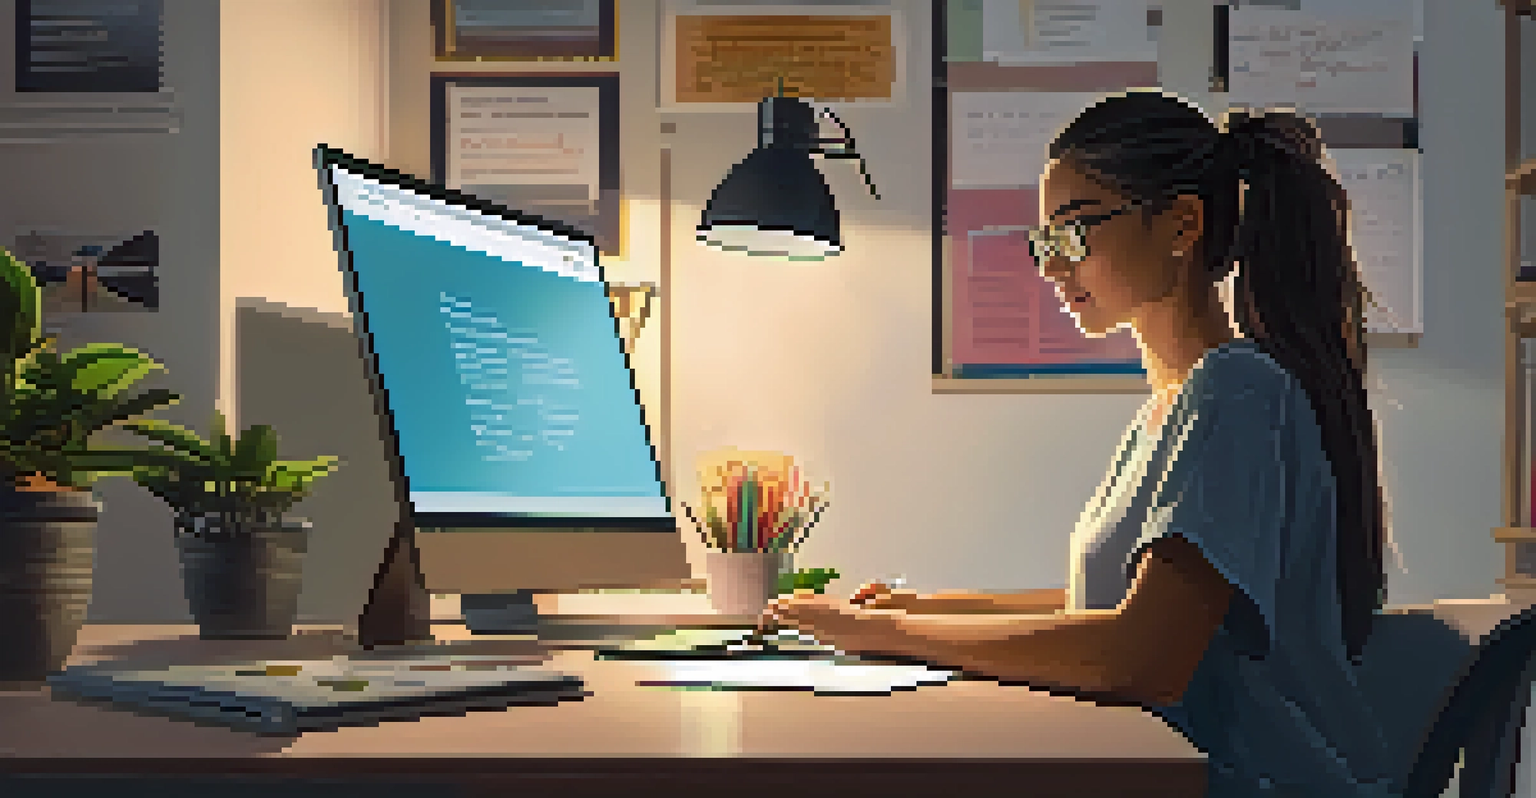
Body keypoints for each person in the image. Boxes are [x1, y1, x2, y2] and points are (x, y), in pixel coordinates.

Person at [759, 90, 1403, 797]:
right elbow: (1105, 605)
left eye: (1072, 233)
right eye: (1043, 243)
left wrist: (885, 638)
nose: (1049, 266)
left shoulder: (1238, 391)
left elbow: (1138, 656)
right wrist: (920, 609)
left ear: (1181, 224)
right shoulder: (1175, 405)